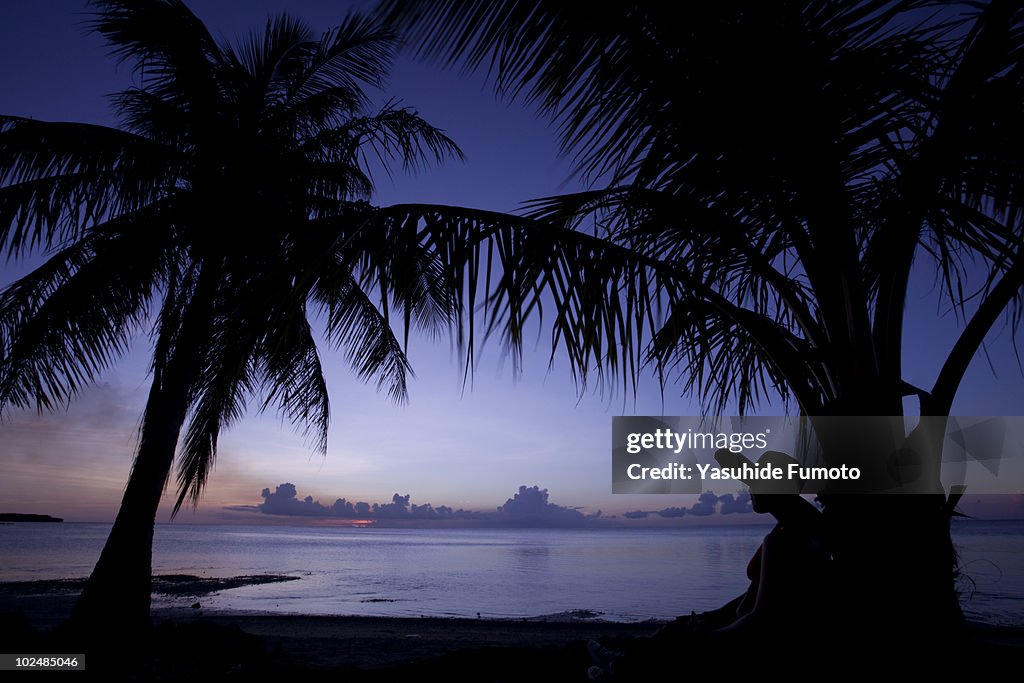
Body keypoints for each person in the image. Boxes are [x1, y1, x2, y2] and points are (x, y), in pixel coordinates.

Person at [587, 450, 832, 680]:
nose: (749, 488)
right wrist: (711, 615)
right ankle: (621, 661)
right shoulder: (797, 528)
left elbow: (760, 620)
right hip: (749, 627)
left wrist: (712, 636)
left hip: (756, 641)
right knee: (681, 625)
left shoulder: (782, 540)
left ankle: (619, 669)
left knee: (680, 635)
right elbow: (756, 594)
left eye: (755, 482)